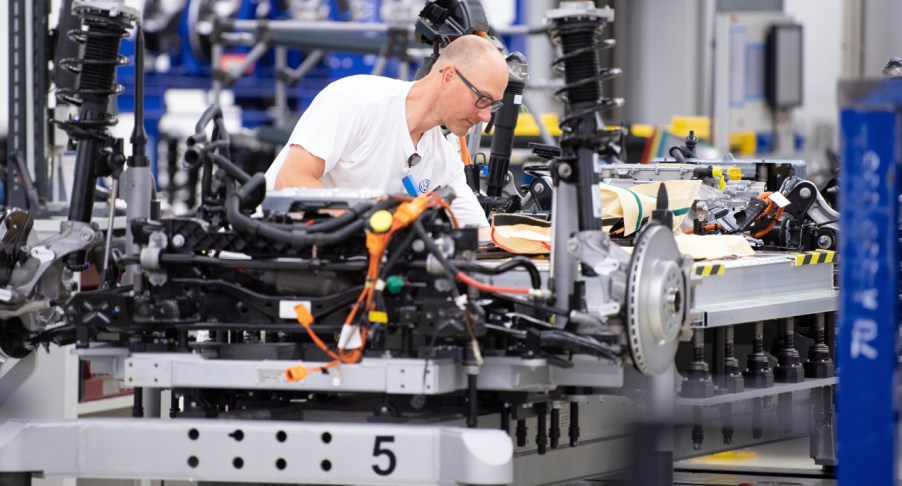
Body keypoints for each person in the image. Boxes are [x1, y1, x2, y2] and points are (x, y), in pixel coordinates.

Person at [264, 35, 509, 228]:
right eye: (482, 99)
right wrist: (375, 225)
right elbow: (290, 181)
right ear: (448, 77)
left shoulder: (444, 161)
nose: (486, 116)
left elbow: (479, 235)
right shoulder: (356, 101)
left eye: (493, 106)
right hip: (266, 263)